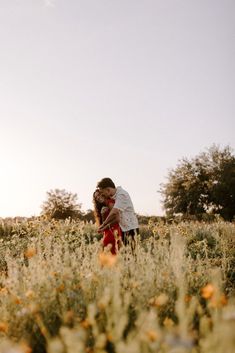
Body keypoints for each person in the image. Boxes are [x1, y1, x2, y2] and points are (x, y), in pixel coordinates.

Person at [96, 178, 139, 247]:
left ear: (108, 190)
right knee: (124, 254)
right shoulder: (114, 196)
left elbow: (114, 212)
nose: (102, 194)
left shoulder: (121, 194)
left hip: (131, 229)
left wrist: (103, 225)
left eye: (103, 192)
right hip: (123, 229)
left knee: (131, 255)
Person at [93, 190, 122, 255]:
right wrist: (102, 214)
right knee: (109, 254)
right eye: (96, 197)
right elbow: (104, 222)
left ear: (103, 193)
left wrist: (104, 227)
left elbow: (117, 219)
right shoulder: (103, 207)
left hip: (113, 231)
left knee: (110, 253)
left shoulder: (110, 202)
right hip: (107, 232)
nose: (98, 197)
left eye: (99, 194)